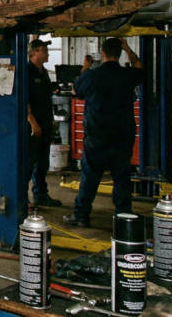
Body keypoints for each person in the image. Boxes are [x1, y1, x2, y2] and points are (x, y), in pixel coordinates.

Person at [63, 38, 144, 228]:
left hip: (97, 135)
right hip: (122, 135)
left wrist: (85, 67)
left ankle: (81, 215)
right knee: (122, 177)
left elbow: (75, 90)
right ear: (120, 53)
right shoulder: (127, 75)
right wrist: (128, 50)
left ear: (103, 53)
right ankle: (124, 216)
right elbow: (140, 68)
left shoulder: (91, 75)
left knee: (90, 176)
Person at [26, 39, 62, 208]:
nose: (47, 54)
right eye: (44, 50)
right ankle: (22, 197)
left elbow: (47, 99)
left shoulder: (44, 73)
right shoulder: (27, 71)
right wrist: (32, 122)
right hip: (33, 125)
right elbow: (24, 100)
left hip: (45, 123)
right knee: (28, 162)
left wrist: (51, 120)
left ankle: (40, 194)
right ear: (34, 53)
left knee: (42, 163)